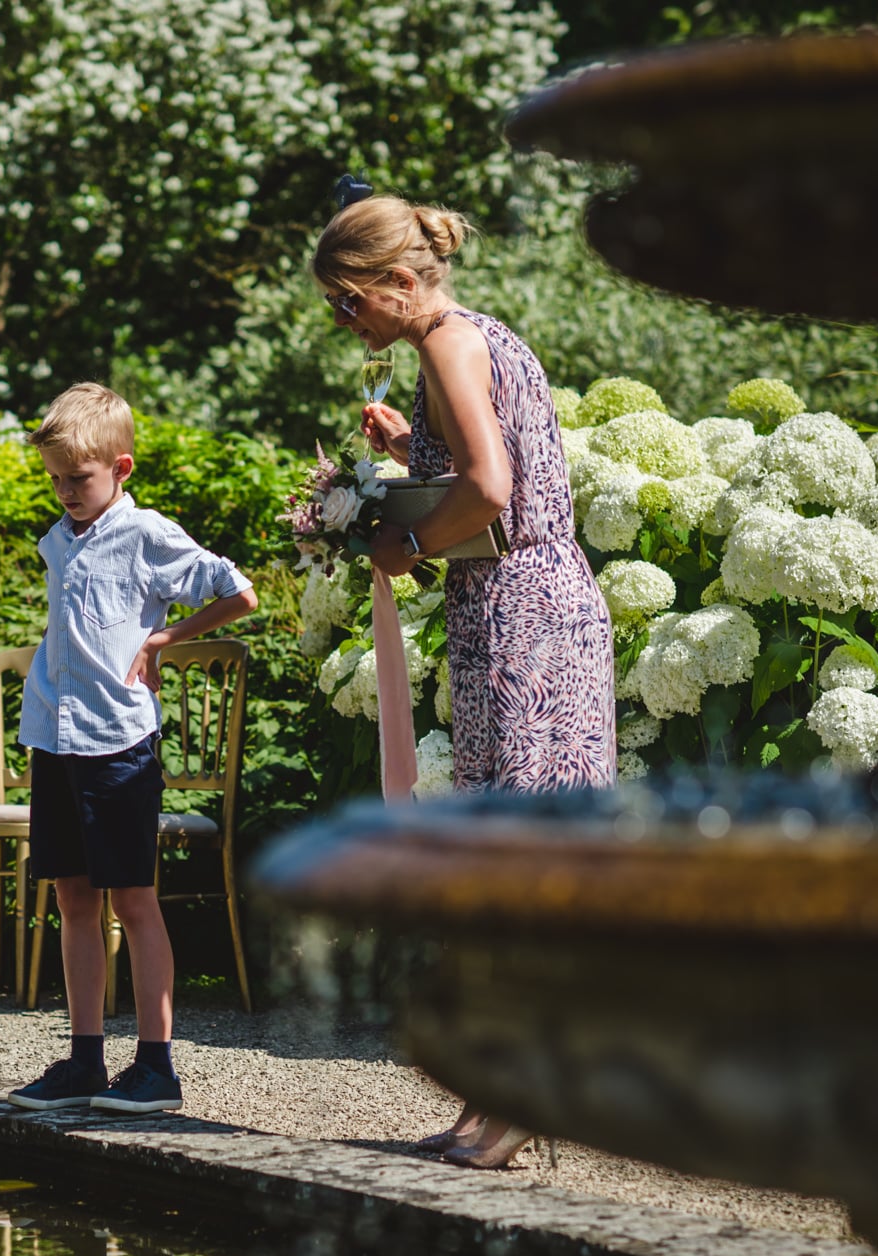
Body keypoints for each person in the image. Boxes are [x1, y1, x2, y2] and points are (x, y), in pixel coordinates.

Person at [316, 193, 615, 1168]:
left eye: (350, 303)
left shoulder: (445, 344)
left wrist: (402, 542)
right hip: (532, 604)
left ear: (402, 284)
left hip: (520, 613)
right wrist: (412, 451)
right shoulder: (473, 338)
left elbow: (490, 491)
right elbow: (498, 463)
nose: (344, 323)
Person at [5, 382, 258, 1116]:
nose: (64, 492)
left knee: (135, 900)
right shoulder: (61, 538)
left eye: (77, 479)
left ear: (121, 467)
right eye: (53, 478)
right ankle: (86, 1061)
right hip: (55, 737)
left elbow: (237, 591)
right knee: (73, 898)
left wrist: (167, 637)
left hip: (118, 744)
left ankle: (156, 1067)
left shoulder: (146, 533)